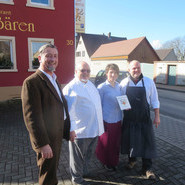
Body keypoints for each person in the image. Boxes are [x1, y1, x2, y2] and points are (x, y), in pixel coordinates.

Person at [21, 44, 70, 185]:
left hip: (57, 135)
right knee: (47, 176)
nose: (52, 59)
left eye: (55, 56)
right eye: (48, 55)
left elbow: (62, 106)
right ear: (39, 58)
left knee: (52, 171)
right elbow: (32, 118)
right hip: (47, 139)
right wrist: (43, 144)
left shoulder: (54, 79)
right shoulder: (32, 82)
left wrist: (68, 129)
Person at [63, 61, 104, 185]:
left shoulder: (90, 84)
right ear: (76, 72)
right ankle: (77, 179)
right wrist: (71, 130)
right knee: (77, 157)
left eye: (87, 71)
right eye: (82, 70)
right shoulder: (71, 87)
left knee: (88, 154)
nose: (85, 73)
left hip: (94, 129)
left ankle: (84, 171)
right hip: (80, 131)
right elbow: (68, 113)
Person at [120, 60, 160, 180]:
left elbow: (155, 100)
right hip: (129, 118)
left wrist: (157, 116)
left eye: (138, 68)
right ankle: (132, 160)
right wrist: (123, 105)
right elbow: (120, 98)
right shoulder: (123, 83)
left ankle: (147, 168)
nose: (136, 70)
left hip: (144, 118)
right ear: (129, 70)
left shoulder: (148, 82)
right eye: (133, 68)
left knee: (146, 142)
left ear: (140, 69)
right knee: (130, 140)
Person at [95, 64, 122, 171]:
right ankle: (105, 161)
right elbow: (98, 105)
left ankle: (114, 161)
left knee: (115, 142)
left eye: (115, 72)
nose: (113, 74)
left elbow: (122, 100)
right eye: (111, 72)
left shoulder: (119, 86)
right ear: (106, 74)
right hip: (106, 119)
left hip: (118, 119)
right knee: (106, 143)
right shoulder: (101, 88)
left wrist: (125, 106)